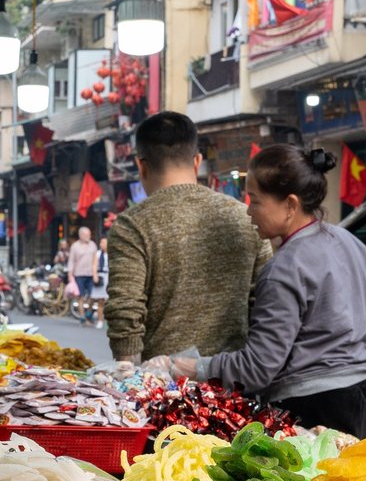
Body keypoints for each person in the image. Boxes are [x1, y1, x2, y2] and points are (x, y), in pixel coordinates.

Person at [158, 146, 366, 436]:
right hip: (361, 394)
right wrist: (355, 363)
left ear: (290, 204)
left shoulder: (284, 269)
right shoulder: (348, 242)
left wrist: (196, 368)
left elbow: (259, 366)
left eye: (255, 201)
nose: (249, 211)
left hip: (312, 407)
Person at [105, 111, 271, 362]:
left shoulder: (132, 225)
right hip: (234, 384)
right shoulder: (245, 217)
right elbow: (266, 300)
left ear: (141, 165)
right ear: (197, 161)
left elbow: (125, 313)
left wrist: (130, 383)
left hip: (162, 392)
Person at [67, 226, 100, 322]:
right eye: (86, 234)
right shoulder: (75, 246)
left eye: (89, 234)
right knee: (80, 296)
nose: (88, 236)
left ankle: (89, 312)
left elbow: (96, 260)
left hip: (91, 274)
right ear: (81, 235)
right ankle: (82, 316)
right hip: (79, 274)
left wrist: (96, 273)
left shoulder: (93, 245)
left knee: (93, 295)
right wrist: (70, 273)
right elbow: (71, 261)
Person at [89, 237, 110, 329]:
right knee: (100, 301)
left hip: (109, 276)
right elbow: (94, 265)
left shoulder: (112, 254)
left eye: (104, 242)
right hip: (101, 276)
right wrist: (95, 276)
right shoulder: (97, 254)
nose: (102, 244)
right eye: (101, 242)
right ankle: (100, 320)